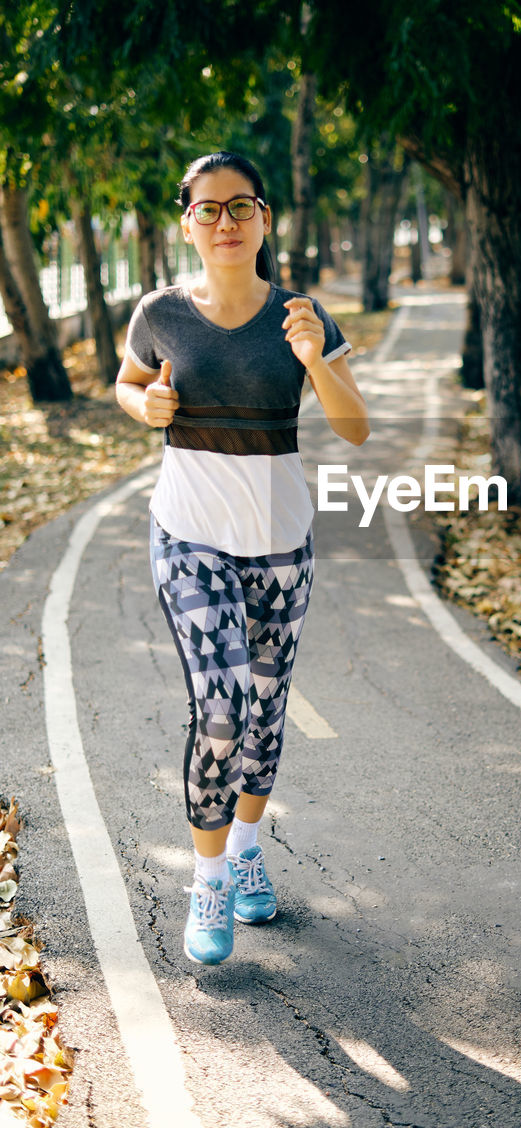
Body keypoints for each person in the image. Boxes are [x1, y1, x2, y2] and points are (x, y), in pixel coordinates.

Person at [116, 150, 369, 965]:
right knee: (219, 710)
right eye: (207, 209)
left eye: (241, 207)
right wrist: (143, 403)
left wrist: (310, 362)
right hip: (188, 534)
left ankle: (250, 847)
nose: (225, 222)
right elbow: (127, 383)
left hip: (279, 543)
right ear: (185, 223)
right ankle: (210, 875)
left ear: (264, 219)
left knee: (263, 714)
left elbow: (355, 426)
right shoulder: (160, 312)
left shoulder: (300, 314)